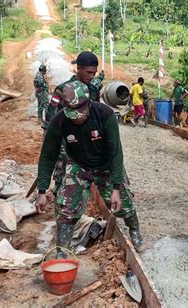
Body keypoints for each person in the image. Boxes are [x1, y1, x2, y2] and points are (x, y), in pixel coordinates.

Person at [36, 81, 143, 256]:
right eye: (73, 114)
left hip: (106, 166)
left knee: (123, 205)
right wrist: (42, 191)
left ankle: (134, 228)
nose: (77, 118)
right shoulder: (60, 121)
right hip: (79, 166)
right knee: (66, 209)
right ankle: (62, 251)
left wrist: (116, 187)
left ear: (88, 103)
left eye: (80, 113)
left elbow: (116, 153)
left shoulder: (105, 115)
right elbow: (47, 156)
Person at [43, 51, 105, 197]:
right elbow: (50, 120)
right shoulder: (63, 89)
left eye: (94, 73)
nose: (91, 76)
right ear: (79, 69)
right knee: (62, 176)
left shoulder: (93, 90)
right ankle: (61, 207)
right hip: (66, 143)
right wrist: (48, 146)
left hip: (87, 142)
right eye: (88, 72)